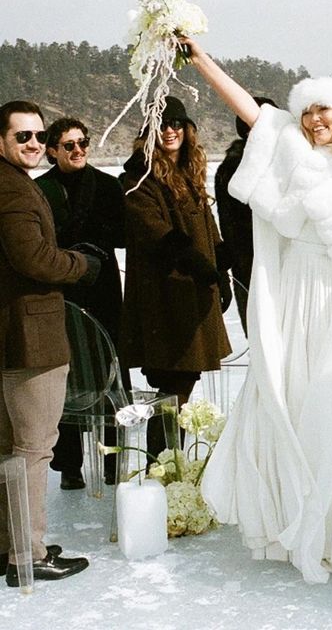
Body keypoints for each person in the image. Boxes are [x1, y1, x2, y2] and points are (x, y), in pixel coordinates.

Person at [181, 37, 332, 584]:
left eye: (323, 109)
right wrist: (201, 59)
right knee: (295, 397)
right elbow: (252, 111)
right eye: (306, 111)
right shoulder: (292, 154)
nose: (312, 120)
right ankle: (295, 516)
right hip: (298, 292)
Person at [0, 99, 97, 585]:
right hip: (30, 338)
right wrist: (82, 265)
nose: (35, 144)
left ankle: (11, 545)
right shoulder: (15, 191)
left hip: (11, 335)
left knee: (11, 448)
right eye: (24, 137)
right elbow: (34, 259)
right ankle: (28, 555)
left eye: (39, 136)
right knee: (34, 449)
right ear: (1, 140)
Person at [118, 96, 232, 458]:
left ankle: (169, 464)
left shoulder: (189, 171)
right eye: (162, 124)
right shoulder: (138, 177)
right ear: (149, 130)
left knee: (180, 389)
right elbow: (156, 232)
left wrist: (222, 273)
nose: (169, 130)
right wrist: (201, 268)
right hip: (164, 301)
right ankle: (164, 466)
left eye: (176, 123)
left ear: (187, 129)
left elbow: (208, 229)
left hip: (194, 295)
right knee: (172, 390)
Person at [36, 117, 126, 490]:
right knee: (66, 377)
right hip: (61, 292)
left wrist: (95, 242)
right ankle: (69, 465)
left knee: (110, 375)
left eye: (83, 143)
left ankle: (111, 462)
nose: (78, 151)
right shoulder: (40, 190)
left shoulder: (107, 186)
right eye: (69, 145)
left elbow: (123, 236)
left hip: (102, 290)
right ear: (52, 150)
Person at [214, 100, 276, 335]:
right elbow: (230, 230)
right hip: (253, 272)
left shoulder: (293, 161)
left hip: (289, 269)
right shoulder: (233, 169)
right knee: (265, 341)